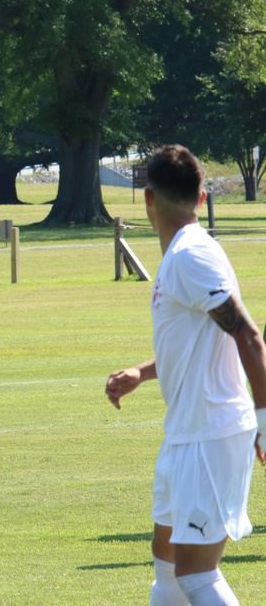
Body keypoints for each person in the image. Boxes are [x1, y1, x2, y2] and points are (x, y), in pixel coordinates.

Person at [105, 144, 266, 606]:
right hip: (186, 433)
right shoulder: (182, 254)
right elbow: (200, 342)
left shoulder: (191, 256)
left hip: (211, 433)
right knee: (167, 562)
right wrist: (142, 372)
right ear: (201, 197)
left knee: (197, 574)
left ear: (147, 198)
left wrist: (265, 423)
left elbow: (249, 336)